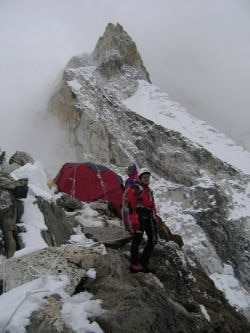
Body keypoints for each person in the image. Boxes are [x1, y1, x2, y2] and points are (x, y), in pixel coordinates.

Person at [126, 167, 158, 273]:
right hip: (139, 216)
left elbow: (152, 205)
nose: (147, 179)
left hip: (148, 216)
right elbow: (131, 204)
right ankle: (135, 264)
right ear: (140, 178)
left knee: (153, 240)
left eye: (148, 177)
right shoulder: (135, 188)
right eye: (144, 177)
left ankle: (144, 262)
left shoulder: (149, 191)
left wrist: (154, 216)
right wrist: (134, 219)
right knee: (137, 240)